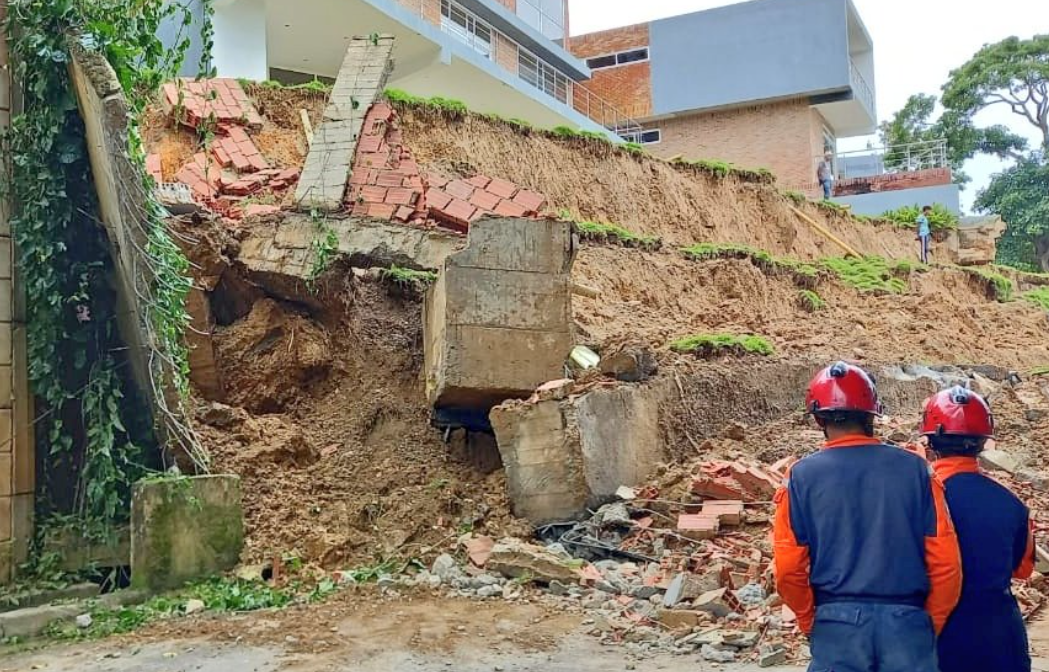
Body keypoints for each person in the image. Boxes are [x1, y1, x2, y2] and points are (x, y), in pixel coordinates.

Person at [773, 361, 962, 672]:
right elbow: (946, 562)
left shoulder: (800, 477)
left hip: (836, 624)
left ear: (819, 418)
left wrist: (811, 621)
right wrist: (930, 622)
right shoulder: (916, 470)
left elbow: (788, 569)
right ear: (872, 415)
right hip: (908, 621)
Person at [923, 387, 1034, 672]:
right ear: (984, 442)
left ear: (931, 441)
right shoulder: (1011, 502)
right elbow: (1022, 570)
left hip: (939, 635)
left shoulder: (918, 499)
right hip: (1000, 638)